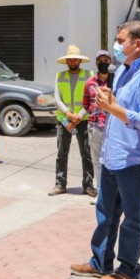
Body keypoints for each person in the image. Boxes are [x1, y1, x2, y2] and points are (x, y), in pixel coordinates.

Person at [70, 21, 140, 279]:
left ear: (137, 44)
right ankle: (100, 261)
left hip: (136, 159)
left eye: (120, 40)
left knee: (133, 218)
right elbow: (121, 107)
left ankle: (128, 269)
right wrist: (110, 100)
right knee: (106, 212)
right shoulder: (125, 69)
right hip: (114, 155)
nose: (116, 45)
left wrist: (113, 108)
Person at [49, 45, 95, 198]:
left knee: (86, 154)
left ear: (79, 61)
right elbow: (57, 99)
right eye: (70, 59)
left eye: (75, 59)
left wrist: (79, 116)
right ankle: (60, 184)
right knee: (62, 153)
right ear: (66, 61)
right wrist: (69, 114)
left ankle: (88, 185)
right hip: (64, 119)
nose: (72, 62)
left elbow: (91, 98)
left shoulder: (89, 75)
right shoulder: (59, 76)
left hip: (83, 119)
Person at [83, 50, 114, 199]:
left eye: (106, 60)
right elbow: (85, 104)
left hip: (112, 127)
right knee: (97, 161)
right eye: (100, 60)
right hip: (95, 127)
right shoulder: (90, 82)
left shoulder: (116, 81)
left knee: (112, 160)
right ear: (96, 63)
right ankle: (101, 193)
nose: (103, 63)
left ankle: (113, 193)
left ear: (111, 62)